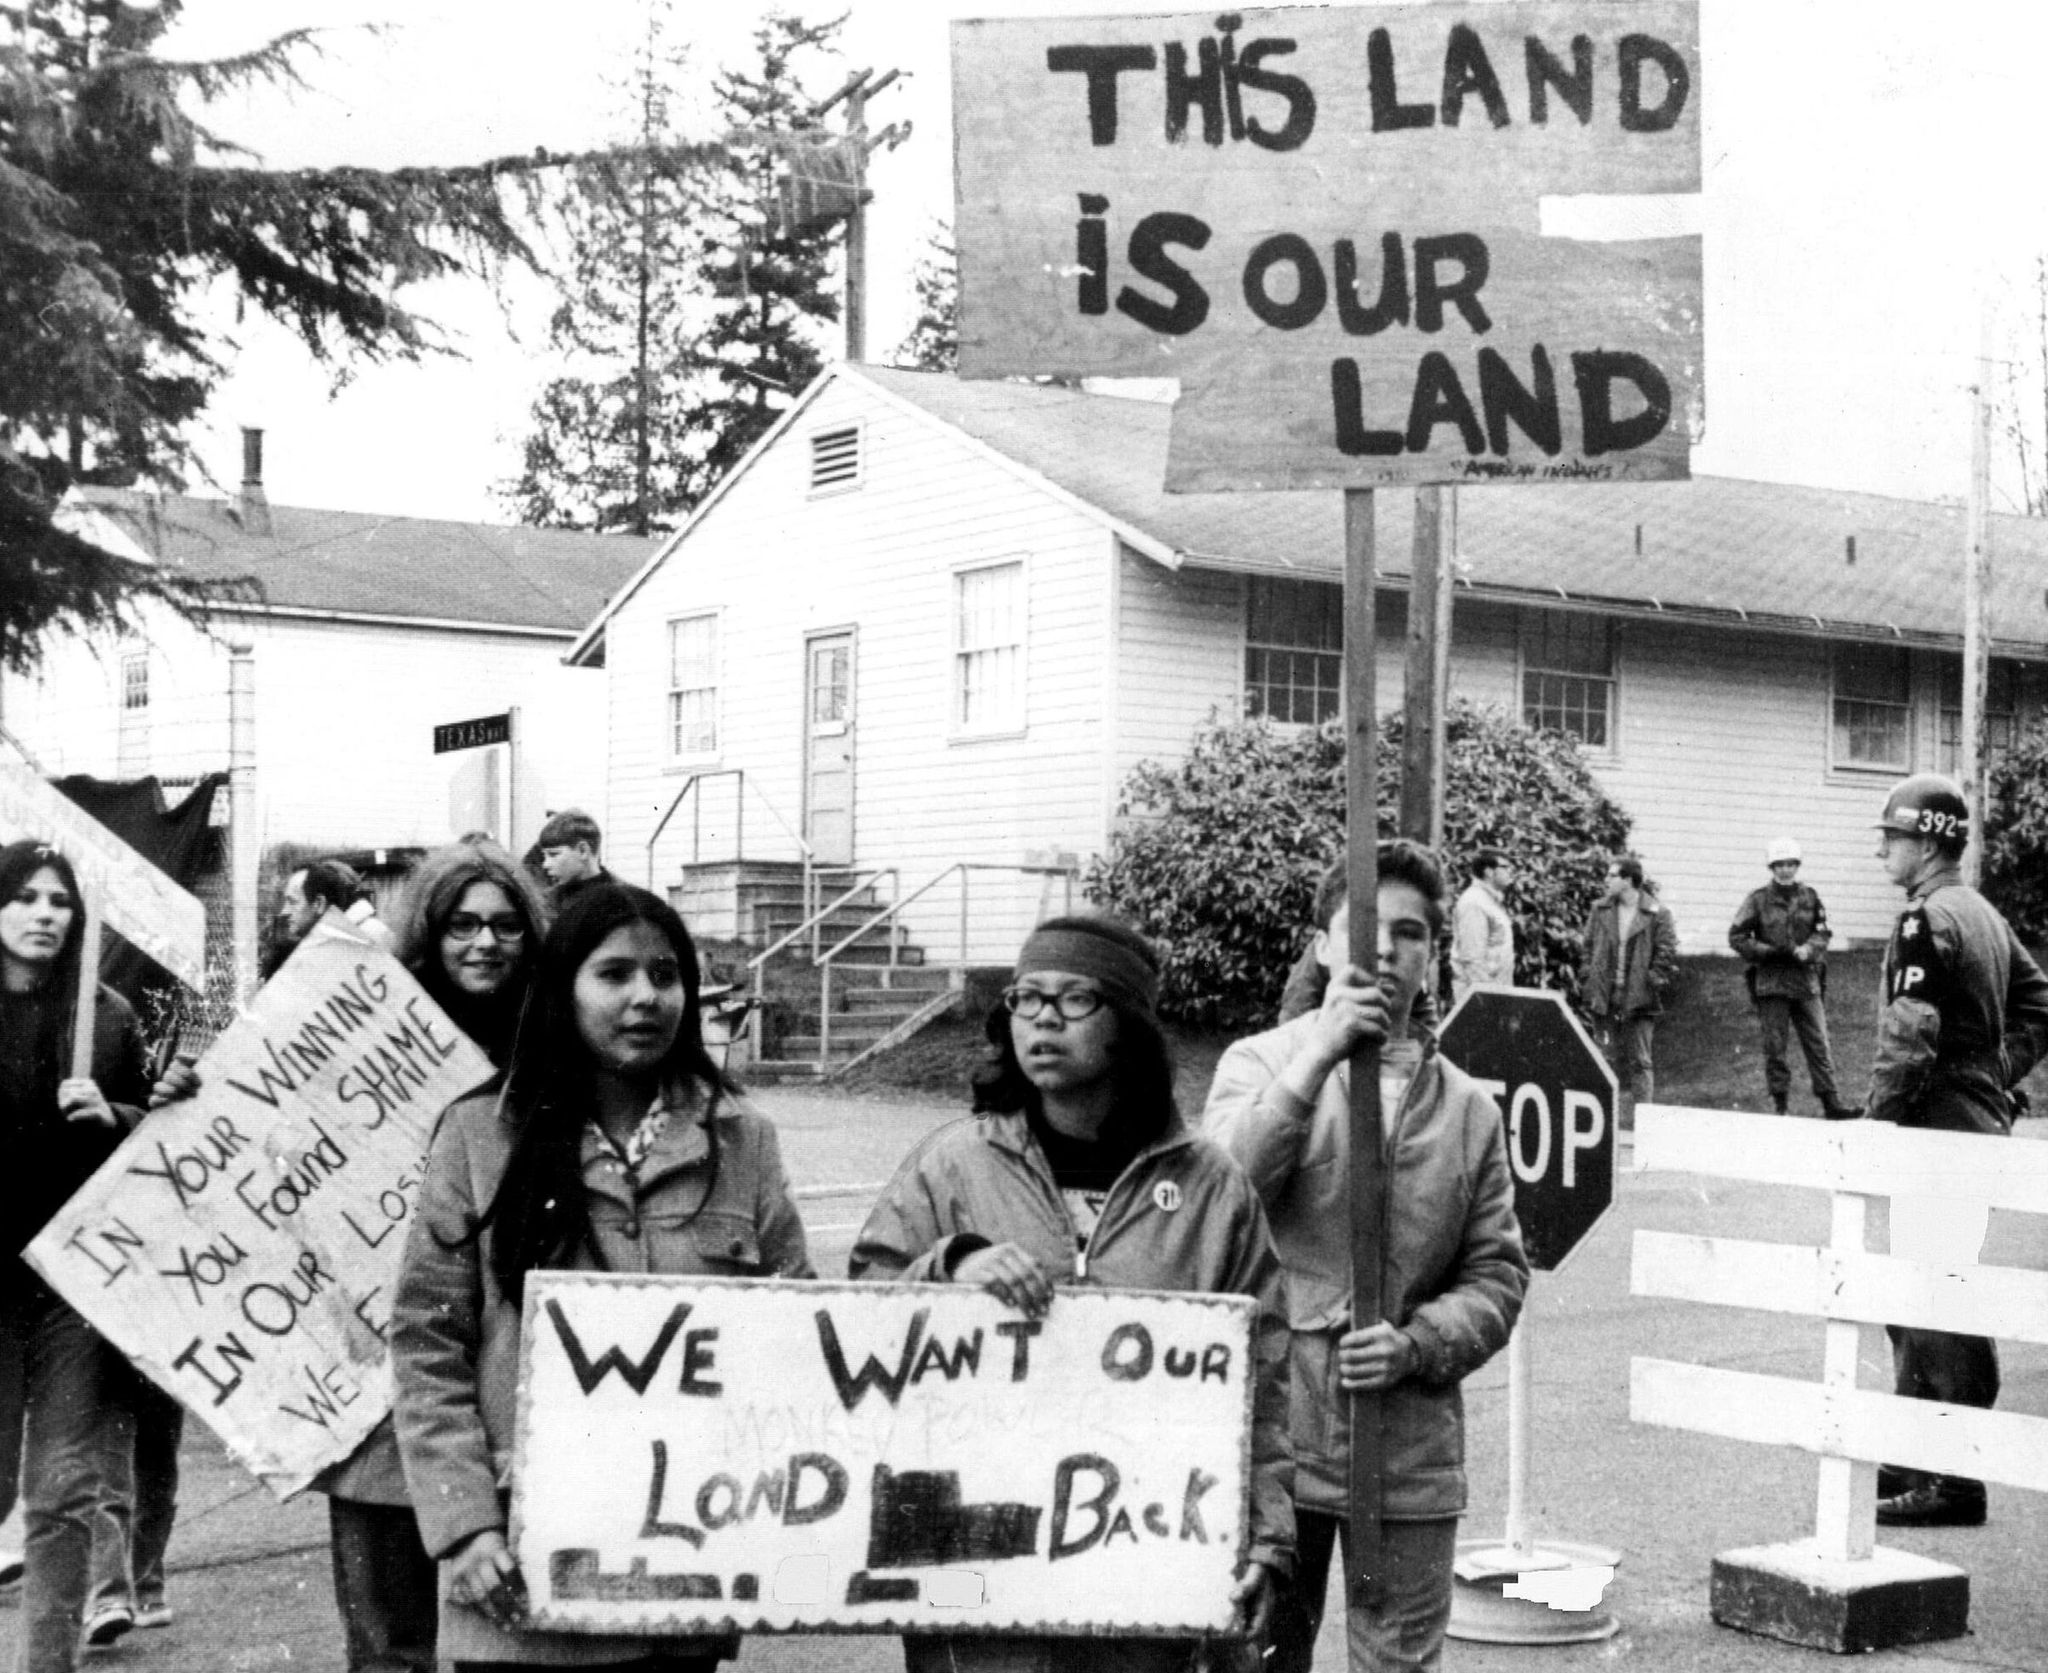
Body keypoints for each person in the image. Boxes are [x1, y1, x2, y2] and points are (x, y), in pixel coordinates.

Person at [851, 913, 1293, 1673]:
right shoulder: (951, 1164)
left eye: (1076, 998)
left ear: (1128, 1025)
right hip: (977, 1578)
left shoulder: (1213, 1188)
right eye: (1026, 998)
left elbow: (1266, 1378)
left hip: (1139, 1579)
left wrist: (1268, 1535)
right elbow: (859, 1317)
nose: (1044, 1018)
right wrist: (949, 1265)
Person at [392, 882, 812, 1670]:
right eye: (614, 974)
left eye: (666, 974)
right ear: (563, 988)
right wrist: (465, 1523)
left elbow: (799, 1329)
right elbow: (426, 1343)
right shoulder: (480, 1134)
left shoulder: (744, 1139)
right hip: (520, 1577)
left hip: (682, 1575)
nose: (645, 997)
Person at [1204, 846, 1528, 1673]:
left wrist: (1418, 1342)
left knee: (1397, 1665)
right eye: (1363, 930)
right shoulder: (1259, 1063)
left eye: (1410, 933)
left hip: (1409, 1450)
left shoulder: (1469, 1109)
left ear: (1433, 954)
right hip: (1275, 1439)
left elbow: (1496, 1273)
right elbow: (1217, 1201)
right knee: (1256, 1658)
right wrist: (1319, 1055)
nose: (1386, 950)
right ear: (1322, 945)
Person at [320, 840, 550, 1673]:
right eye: (462, 925)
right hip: (372, 1381)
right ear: (430, 930)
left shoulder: (558, 1050)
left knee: (510, 1640)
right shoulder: (359, 1030)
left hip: (493, 1378)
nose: (484, 943)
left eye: (504, 925)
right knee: (388, 1644)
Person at [1858, 775, 2048, 1529]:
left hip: (1935, 1125)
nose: (1881, 849)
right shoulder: (1983, 914)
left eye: (1892, 836)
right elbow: (2040, 1004)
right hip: (1972, 1120)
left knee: (1936, 1292)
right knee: (1921, 1289)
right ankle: (1914, 1454)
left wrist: (1876, 1118)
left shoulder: (1926, 919)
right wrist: (1997, 1072)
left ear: (1930, 840)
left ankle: (1956, 1476)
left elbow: (1910, 1030)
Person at [0, 840, 151, 1673]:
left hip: (72, 1288)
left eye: (60, 901)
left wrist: (118, 1113)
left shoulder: (109, 1017)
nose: (44, 914)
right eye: (25, 897)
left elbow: (157, 1144)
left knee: (60, 1493)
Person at [1728, 837, 1856, 1118]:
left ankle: (1831, 1102)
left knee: (1819, 1042)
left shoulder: (1810, 896)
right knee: (1775, 1047)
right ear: (1771, 867)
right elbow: (1736, 936)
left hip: (1805, 980)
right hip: (1772, 982)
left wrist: (1808, 949)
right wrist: (1768, 952)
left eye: (1790, 864)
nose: (1785, 870)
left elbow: (1823, 931)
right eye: (1779, 865)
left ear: (1797, 865)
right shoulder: (1758, 900)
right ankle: (1780, 1104)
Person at [1581, 854, 1679, 1123]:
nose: (1606, 880)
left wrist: (1653, 979)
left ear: (1628, 880)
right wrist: (1588, 977)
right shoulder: (1599, 909)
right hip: (1605, 994)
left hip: (1640, 996)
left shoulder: (1657, 912)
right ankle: (1599, 1121)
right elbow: (1587, 947)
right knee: (1603, 1057)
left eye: (1612, 875)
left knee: (1641, 1061)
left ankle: (1644, 1122)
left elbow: (1667, 950)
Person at [1449, 848, 1515, 1004]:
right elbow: (1472, 959)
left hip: (1495, 994)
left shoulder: (1489, 901)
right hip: (1480, 999)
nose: (1511, 872)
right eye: (1506, 867)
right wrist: (1487, 1000)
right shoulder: (1474, 902)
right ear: (1489, 872)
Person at [535, 810, 611, 907]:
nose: (545, 864)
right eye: (544, 856)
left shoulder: (622, 900)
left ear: (583, 851)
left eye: (553, 854)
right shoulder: (545, 902)